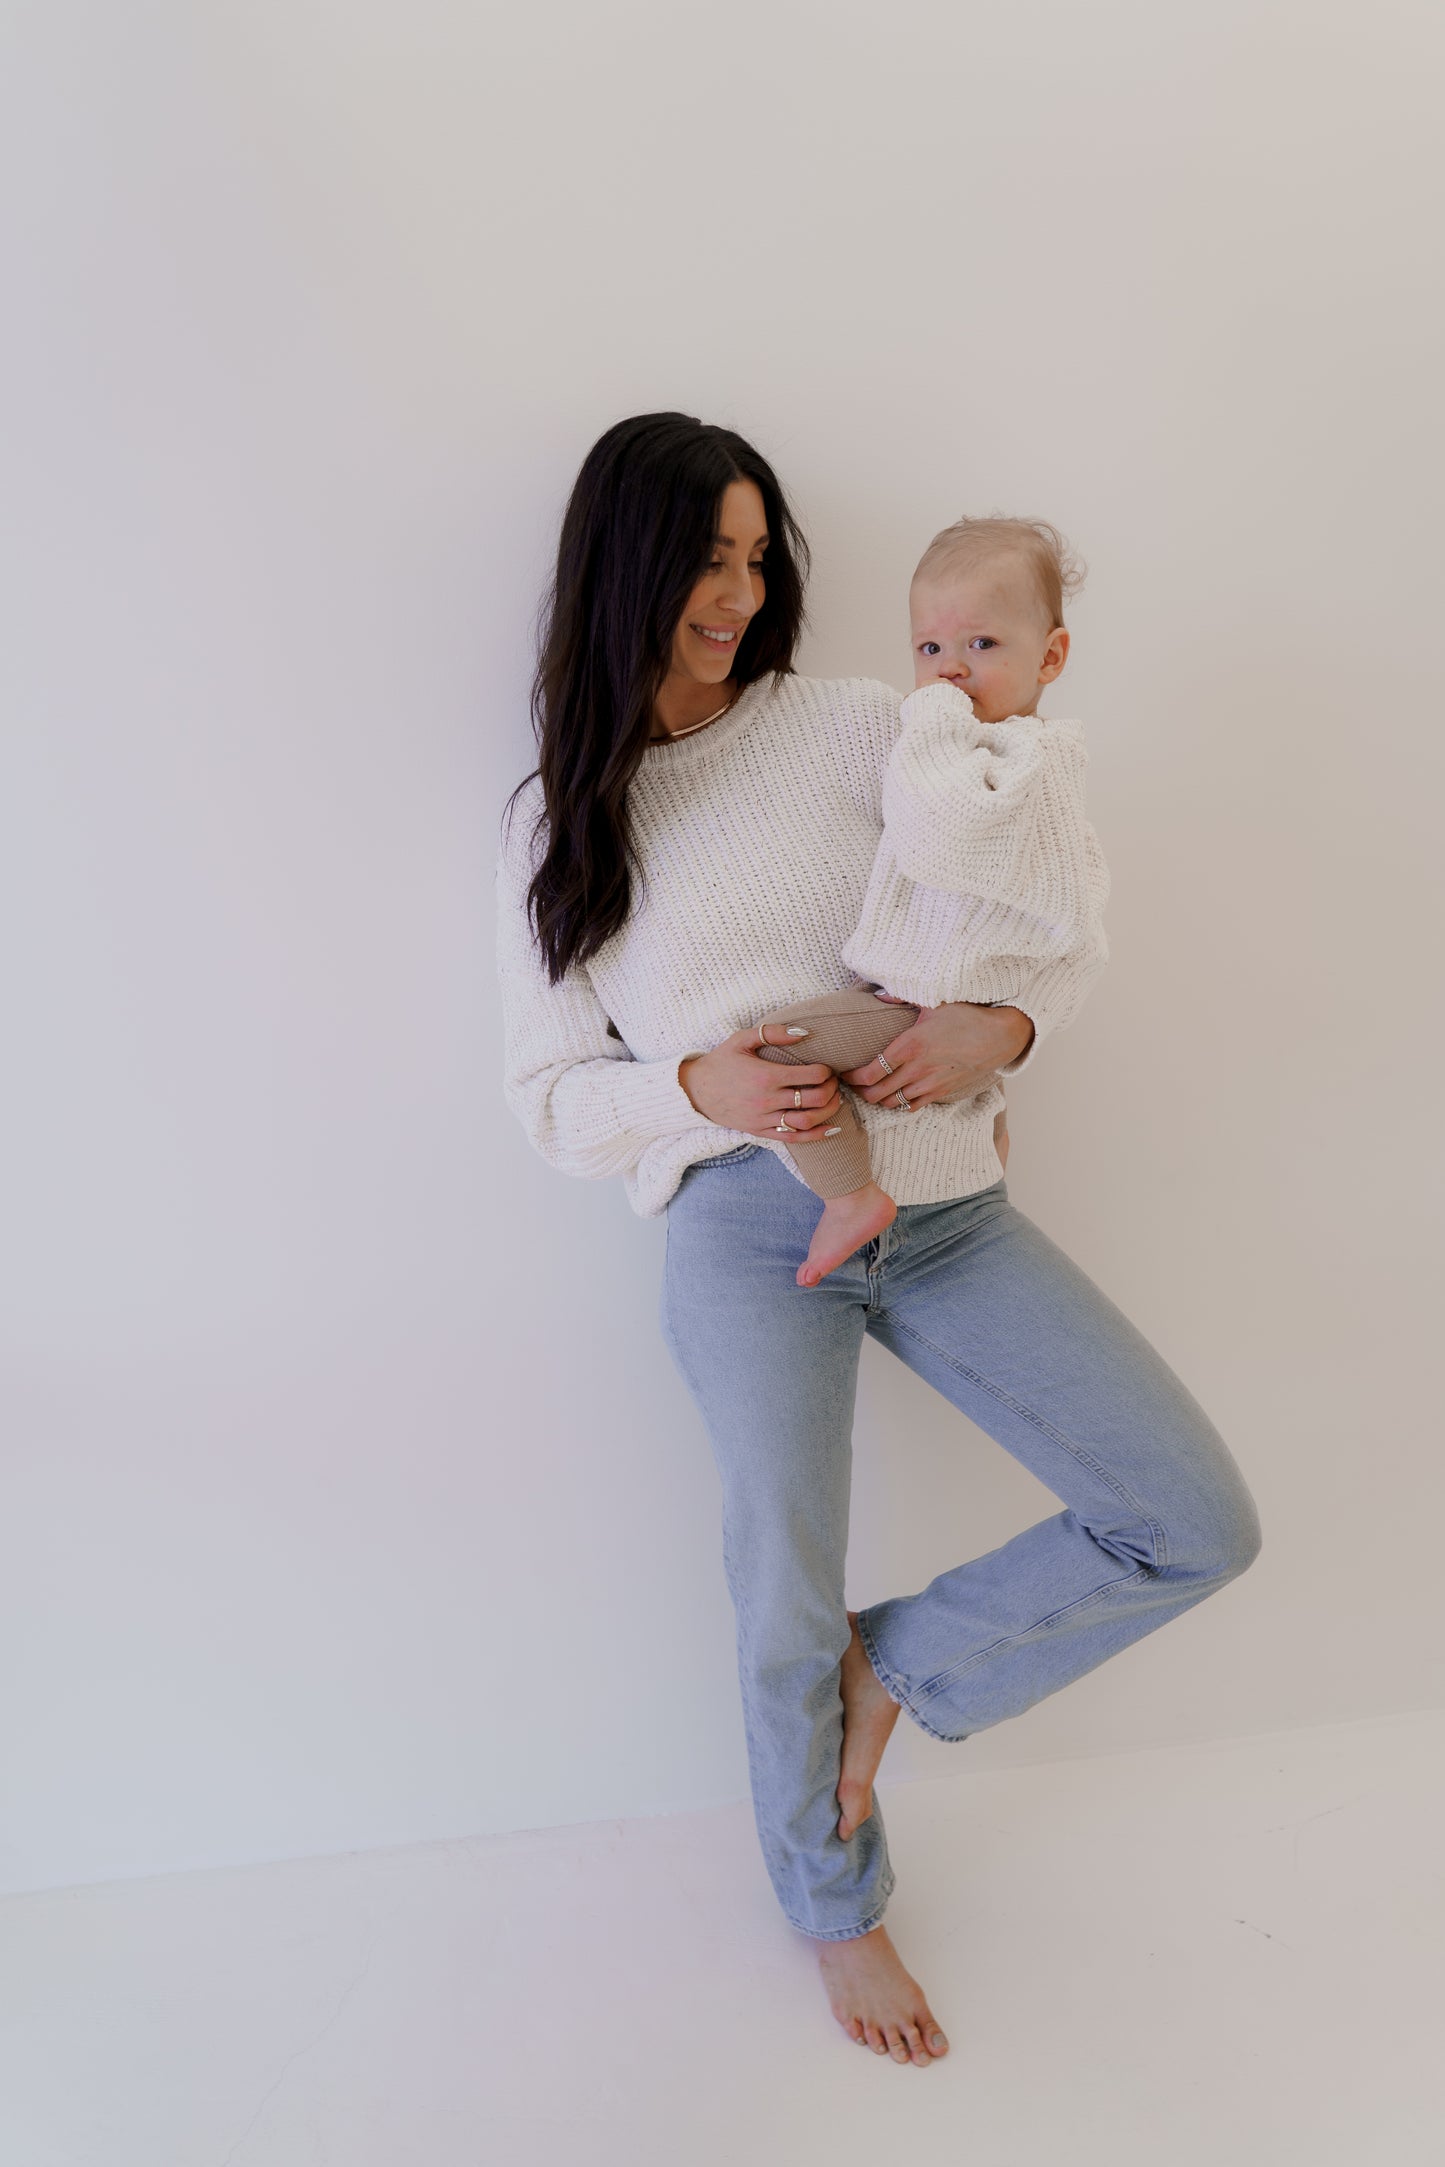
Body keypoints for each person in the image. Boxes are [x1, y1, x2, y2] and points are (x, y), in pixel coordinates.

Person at [495, 411, 1262, 2070]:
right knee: (778, 1577)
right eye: (709, 554)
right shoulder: (563, 817)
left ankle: (891, 1663)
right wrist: (691, 1083)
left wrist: (1008, 1031)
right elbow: (552, 1094)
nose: (738, 590)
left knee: (1191, 1517)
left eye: (758, 557)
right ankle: (834, 1904)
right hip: (745, 1218)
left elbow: (1056, 892)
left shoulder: (865, 725)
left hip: (947, 1201)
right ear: (626, 559)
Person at [745, 513, 1108, 1289]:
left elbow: (940, 839)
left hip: (922, 1006)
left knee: (778, 1045)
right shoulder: (1001, 757)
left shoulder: (1016, 763)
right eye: (929, 649)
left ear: (1050, 656)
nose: (949, 671)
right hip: (945, 1010)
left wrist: (932, 722)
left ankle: (848, 1198)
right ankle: (979, 1156)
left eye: (980, 645)